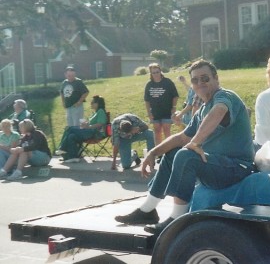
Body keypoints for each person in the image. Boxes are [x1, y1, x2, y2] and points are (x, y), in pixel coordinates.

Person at [115, 60, 254, 235]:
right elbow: (182, 137)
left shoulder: (225, 97)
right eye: (195, 80)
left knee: (185, 155)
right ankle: (148, 210)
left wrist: (194, 143)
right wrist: (153, 152)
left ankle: (176, 219)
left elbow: (219, 111)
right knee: (173, 152)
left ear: (216, 79)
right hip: (218, 165)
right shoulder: (203, 108)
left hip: (237, 167)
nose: (200, 83)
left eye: (205, 78)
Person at [55, 95, 108, 163]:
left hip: (96, 133)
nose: (91, 104)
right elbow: (91, 124)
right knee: (72, 136)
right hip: (89, 131)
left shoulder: (101, 111)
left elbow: (100, 124)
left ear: (98, 103)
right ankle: (72, 157)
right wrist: (85, 124)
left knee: (69, 129)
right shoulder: (95, 113)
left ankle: (62, 148)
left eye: (92, 102)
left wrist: (88, 126)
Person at [144, 63, 179, 145]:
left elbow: (175, 96)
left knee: (167, 131)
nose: (156, 74)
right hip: (155, 112)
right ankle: (159, 152)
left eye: (157, 72)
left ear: (160, 71)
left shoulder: (168, 82)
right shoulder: (149, 85)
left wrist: (174, 107)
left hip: (167, 111)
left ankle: (168, 151)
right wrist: (149, 113)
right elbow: (147, 100)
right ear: (151, 74)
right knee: (157, 131)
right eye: (154, 73)